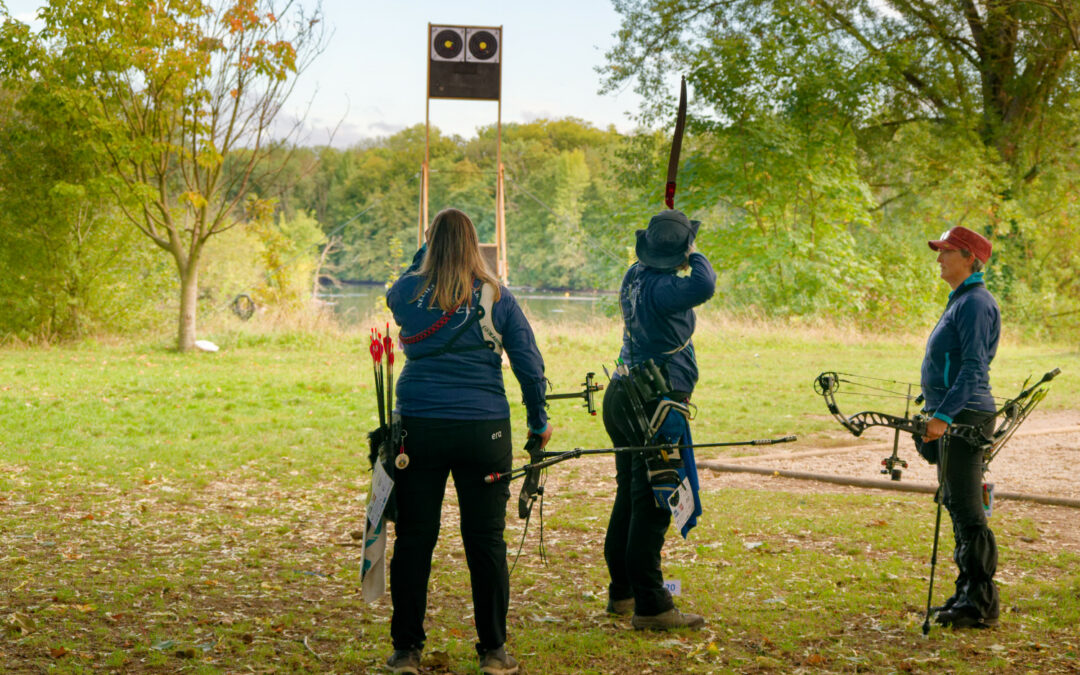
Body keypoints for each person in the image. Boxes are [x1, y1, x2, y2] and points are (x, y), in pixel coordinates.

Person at [383, 208, 552, 675]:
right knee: (486, 541)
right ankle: (494, 651)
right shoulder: (499, 296)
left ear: (430, 244)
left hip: (420, 428)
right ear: (476, 245)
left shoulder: (409, 293)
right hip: (485, 431)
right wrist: (539, 420)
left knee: (415, 539)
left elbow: (394, 292)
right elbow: (529, 366)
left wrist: (427, 247)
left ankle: (406, 651)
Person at [602, 209, 716, 630]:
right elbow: (704, 282)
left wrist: (673, 248)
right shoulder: (667, 289)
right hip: (654, 402)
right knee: (654, 501)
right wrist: (691, 248)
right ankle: (651, 603)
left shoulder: (635, 274)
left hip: (627, 393)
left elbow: (675, 271)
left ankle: (623, 592)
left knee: (630, 496)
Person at [918, 225, 1000, 630]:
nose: (939, 259)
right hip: (954, 415)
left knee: (969, 511)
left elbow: (972, 369)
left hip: (965, 419)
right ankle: (966, 592)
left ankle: (981, 604)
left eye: (947, 252)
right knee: (955, 505)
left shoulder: (974, 303)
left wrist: (943, 416)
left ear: (969, 258)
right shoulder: (961, 300)